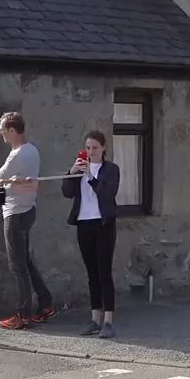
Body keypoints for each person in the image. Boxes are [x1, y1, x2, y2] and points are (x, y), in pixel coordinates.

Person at [0, 111, 56, 330]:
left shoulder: (18, 154)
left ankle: (23, 315)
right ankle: (45, 304)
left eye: (3, 129)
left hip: (15, 214)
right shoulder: (29, 150)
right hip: (27, 211)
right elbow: (5, 177)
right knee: (25, 261)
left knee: (18, 266)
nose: (0, 133)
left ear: (13, 130)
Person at [63, 130, 122, 338]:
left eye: (95, 148)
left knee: (104, 271)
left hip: (103, 223)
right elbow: (67, 192)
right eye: (88, 148)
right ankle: (94, 318)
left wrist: (90, 176)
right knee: (91, 273)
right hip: (84, 222)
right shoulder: (80, 167)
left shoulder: (111, 169)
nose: (91, 152)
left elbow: (107, 193)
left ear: (103, 148)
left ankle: (108, 320)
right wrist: (72, 172)